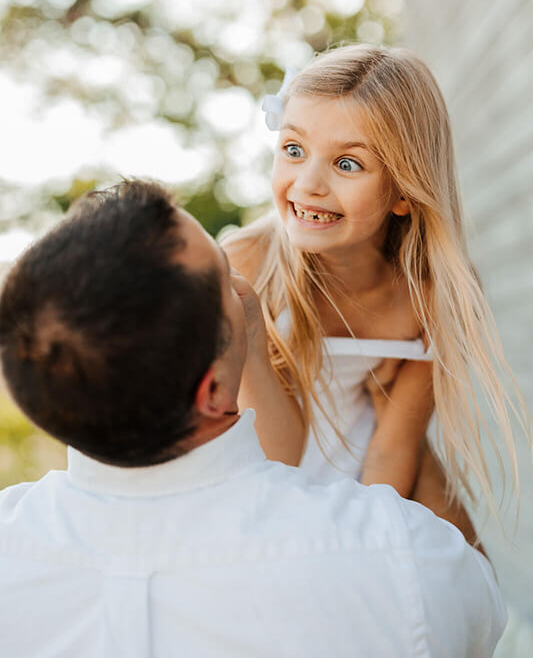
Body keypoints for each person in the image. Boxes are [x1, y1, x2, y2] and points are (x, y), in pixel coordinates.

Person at [0, 179, 505, 657]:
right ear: (214, 390)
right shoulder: (399, 555)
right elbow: (479, 608)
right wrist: (412, 433)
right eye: (226, 278)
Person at [223, 44, 529, 509]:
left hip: (374, 490)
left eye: (348, 164)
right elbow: (243, 444)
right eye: (293, 149)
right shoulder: (246, 263)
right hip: (260, 485)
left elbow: (394, 448)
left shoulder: (431, 292)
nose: (308, 184)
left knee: (462, 562)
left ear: (403, 192)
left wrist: (366, 541)